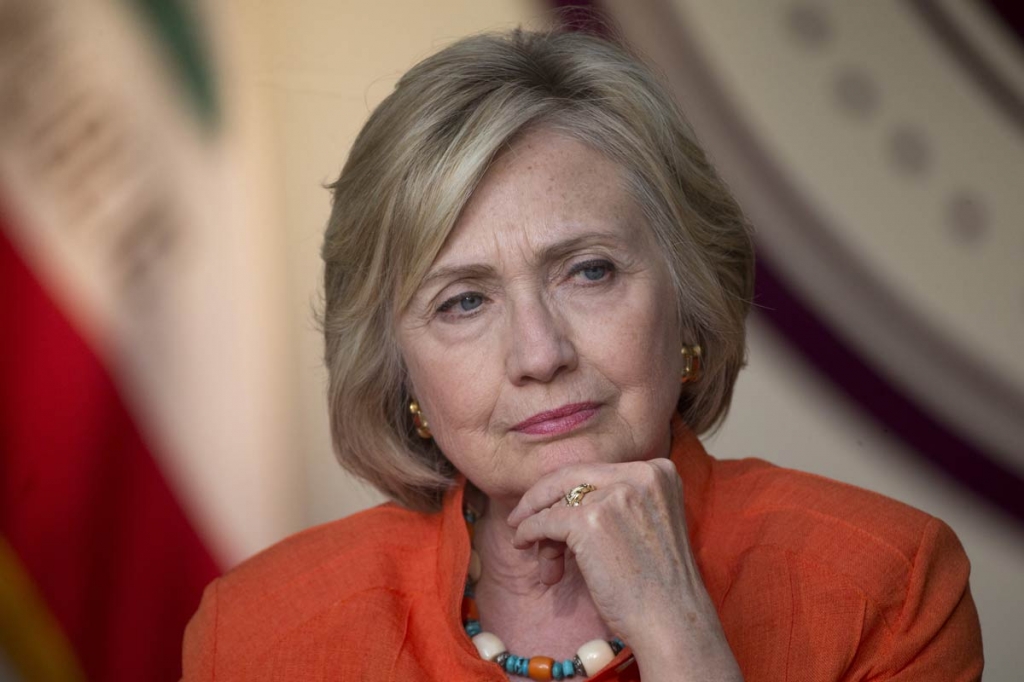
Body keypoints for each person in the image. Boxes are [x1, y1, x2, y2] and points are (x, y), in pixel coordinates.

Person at [181, 28, 983, 681]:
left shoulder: (884, 586)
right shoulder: (257, 635)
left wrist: (679, 634)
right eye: (463, 301)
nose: (540, 354)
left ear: (688, 298)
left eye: (589, 271)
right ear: (397, 370)